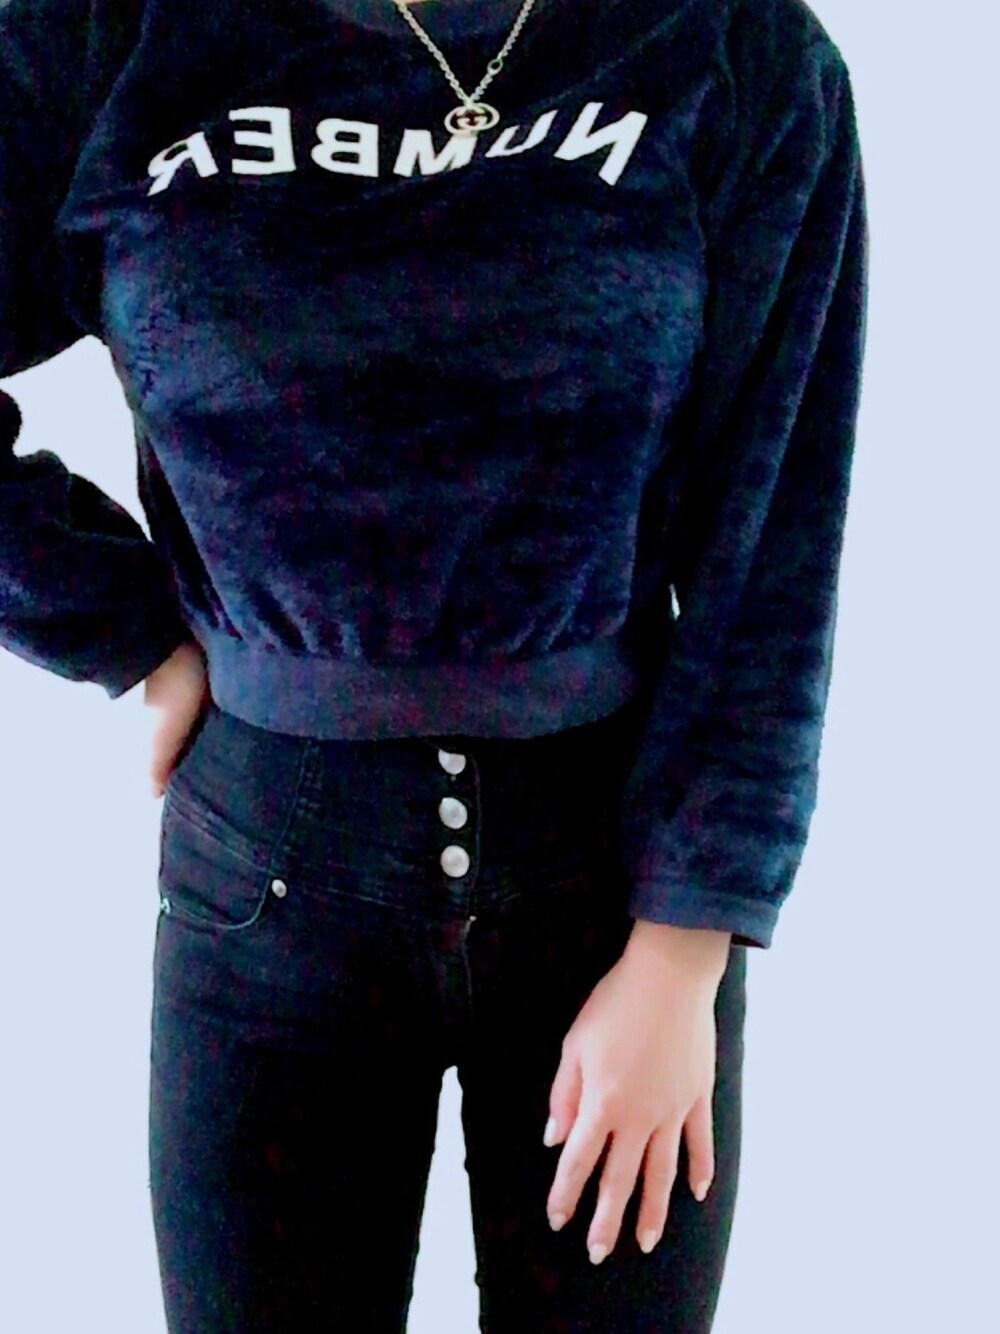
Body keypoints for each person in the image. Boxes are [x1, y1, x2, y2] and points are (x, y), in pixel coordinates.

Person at [0, 0, 868, 1329]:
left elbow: (773, 542)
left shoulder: (733, 51)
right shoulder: (104, 37)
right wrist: (123, 628)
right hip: (264, 898)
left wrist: (686, 946)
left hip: (617, 902)